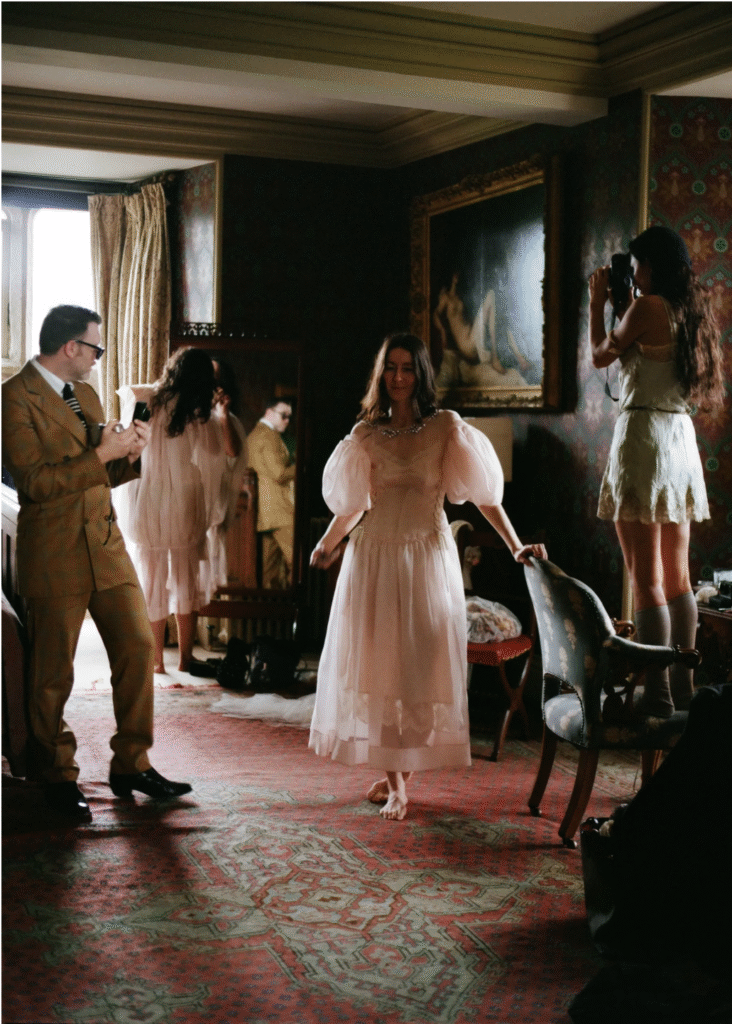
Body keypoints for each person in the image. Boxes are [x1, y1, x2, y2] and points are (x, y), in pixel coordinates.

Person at [309, 332, 546, 821]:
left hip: (426, 561)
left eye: (407, 368)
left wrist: (514, 545)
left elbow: (484, 499)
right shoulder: (364, 435)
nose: (398, 377)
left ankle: (402, 768)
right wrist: (326, 544)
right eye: (391, 368)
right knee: (379, 672)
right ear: (381, 374)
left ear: (421, 374)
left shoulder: (446, 428)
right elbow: (353, 506)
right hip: (374, 559)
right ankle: (397, 784)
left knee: (420, 672)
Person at [1, 305, 192, 822]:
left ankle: (132, 763)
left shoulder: (85, 395)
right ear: (71, 347)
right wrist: (104, 454)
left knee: (138, 647)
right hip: (54, 552)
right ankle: (57, 775)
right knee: (52, 674)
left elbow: (99, 475)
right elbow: (35, 483)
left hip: (106, 547)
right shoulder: (12, 398)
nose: (97, 358)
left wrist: (130, 453)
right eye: (95, 348)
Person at [589, 225, 724, 717]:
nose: (634, 274)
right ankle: (684, 692)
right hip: (679, 442)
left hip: (645, 440)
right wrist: (623, 305)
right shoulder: (691, 311)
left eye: (636, 266)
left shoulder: (645, 309)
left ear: (649, 266)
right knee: (679, 577)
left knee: (645, 578)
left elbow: (601, 355)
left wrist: (597, 304)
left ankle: (659, 696)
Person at [115, 348, 244, 674]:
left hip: (149, 499)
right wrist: (222, 414)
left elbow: (130, 446)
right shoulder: (198, 411)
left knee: (152, 579)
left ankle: (156, 660)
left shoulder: (146, 398)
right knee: (186, 578)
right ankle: (186, 657)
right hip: (184, 501)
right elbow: (225, 453)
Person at [432, 272, 530, 391]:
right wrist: (442, 331)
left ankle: (511, 357)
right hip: (466, 344)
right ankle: (495, 358)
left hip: (474, 343)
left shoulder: (459, 296)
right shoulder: (445, 296)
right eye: (455, 275)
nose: (458, 277)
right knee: (491, 295)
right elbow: (435, 314)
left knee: (496, 308)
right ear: (453, 277)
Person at [247, 397, 296, 588]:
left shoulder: (256, 434)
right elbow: (280, 473)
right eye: (284, 415)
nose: (287, 421)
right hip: (280, 512)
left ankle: (274, 607)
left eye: (289, 417)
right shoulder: (267, 436)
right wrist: (299, 465)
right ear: (269, 412)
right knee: (297, 565)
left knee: (271, 574)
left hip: (266, 514)